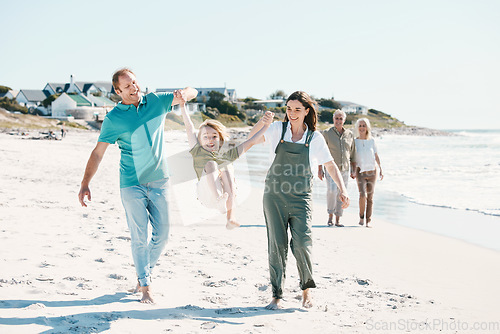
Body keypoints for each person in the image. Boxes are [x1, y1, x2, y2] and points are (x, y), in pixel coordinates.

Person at [78, 68, 197, 303]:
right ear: (118, 91)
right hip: (131, 184)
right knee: (139, 236)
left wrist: (184, 94)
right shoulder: (114, 118)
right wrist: (85, 183)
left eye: (134, 82)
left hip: (160, 178)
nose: (134, 88)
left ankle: (143, 271)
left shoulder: (156, 102)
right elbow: (98, 153)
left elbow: (191, 91)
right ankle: (145, 286)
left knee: (162, 235)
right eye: (127, 86)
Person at [248, 91, 349, 310]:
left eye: (297, 109)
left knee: (303, 243)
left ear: (306, 111)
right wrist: (261, 123)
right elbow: (251, 139)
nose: (292, 113)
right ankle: (277, 295)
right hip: (273, 196)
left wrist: (343, 189)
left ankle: (306, 291)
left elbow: (330, 165)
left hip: (301, 198)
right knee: (277, 245)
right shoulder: (277, 130)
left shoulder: (314, 138)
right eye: (288, 108)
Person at [179, 102, 274, 229]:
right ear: (200, 141)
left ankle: (230, 217)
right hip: (206, 194)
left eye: (214, 136)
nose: (210, 140)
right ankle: (218, 199)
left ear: (220, 139)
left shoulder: (227, 156)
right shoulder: (197, 151)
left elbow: (250, 142)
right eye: (205, 137)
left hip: (225, 197)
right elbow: (189, 127)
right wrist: (182, 106)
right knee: (211, 163)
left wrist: (266, 126)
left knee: (227, 167)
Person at [318, 109, 356, 227]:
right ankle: (330, 216)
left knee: (342, 193)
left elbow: (353, 153)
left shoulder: (349, 134)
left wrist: (354, 170)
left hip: (345, 169)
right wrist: (320, 169)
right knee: (332, 191)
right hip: (331, 169)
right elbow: (320, 152)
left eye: (341, 118)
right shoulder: (327, 133)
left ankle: (338, 219)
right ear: (333, 119)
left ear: (344, 120)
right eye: (336, 118)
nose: (338, 121)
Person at [353, 118, 383, 228]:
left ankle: (368, 220)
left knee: (370, 197)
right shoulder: (355, 141)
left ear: (367, 128)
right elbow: (353, 158)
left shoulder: (372, 141)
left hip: (372, 172)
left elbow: (376, 155)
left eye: (364, 126)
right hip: (360, 171)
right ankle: (361, 217)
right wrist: (352, 170)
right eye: (360, 125)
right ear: (357, 128)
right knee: (362, 195)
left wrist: (381, 169)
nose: (362, 128)